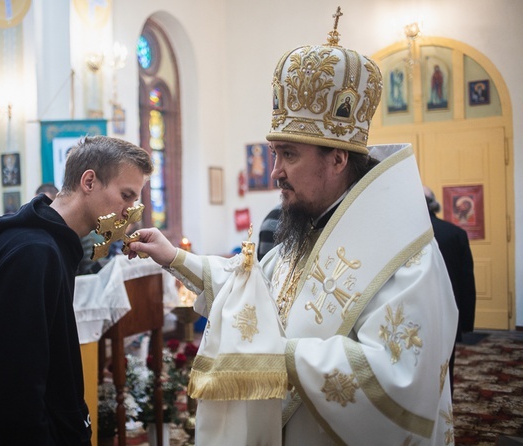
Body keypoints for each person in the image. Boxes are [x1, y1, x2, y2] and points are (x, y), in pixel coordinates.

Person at [128, 12, 458, 445]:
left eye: (288, 155)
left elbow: (397, 377)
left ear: (337, 159)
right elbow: (253, 287)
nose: (275, 172)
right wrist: (174, 257)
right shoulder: (305, 231)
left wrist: (272, 354)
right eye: (274, 154)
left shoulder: (406, 255)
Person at [0, 135, 153, 445]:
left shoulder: (49, 245)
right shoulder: (33, 253)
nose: (131, 212)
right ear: (89, 181)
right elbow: (15, 391)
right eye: (126, 195)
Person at [424, 185, 476, 394]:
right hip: (449, 312)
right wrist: (466, 322)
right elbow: (466, 281)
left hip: (416, 312)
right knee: (447, 368)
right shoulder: (456, 233)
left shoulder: (406, 236)